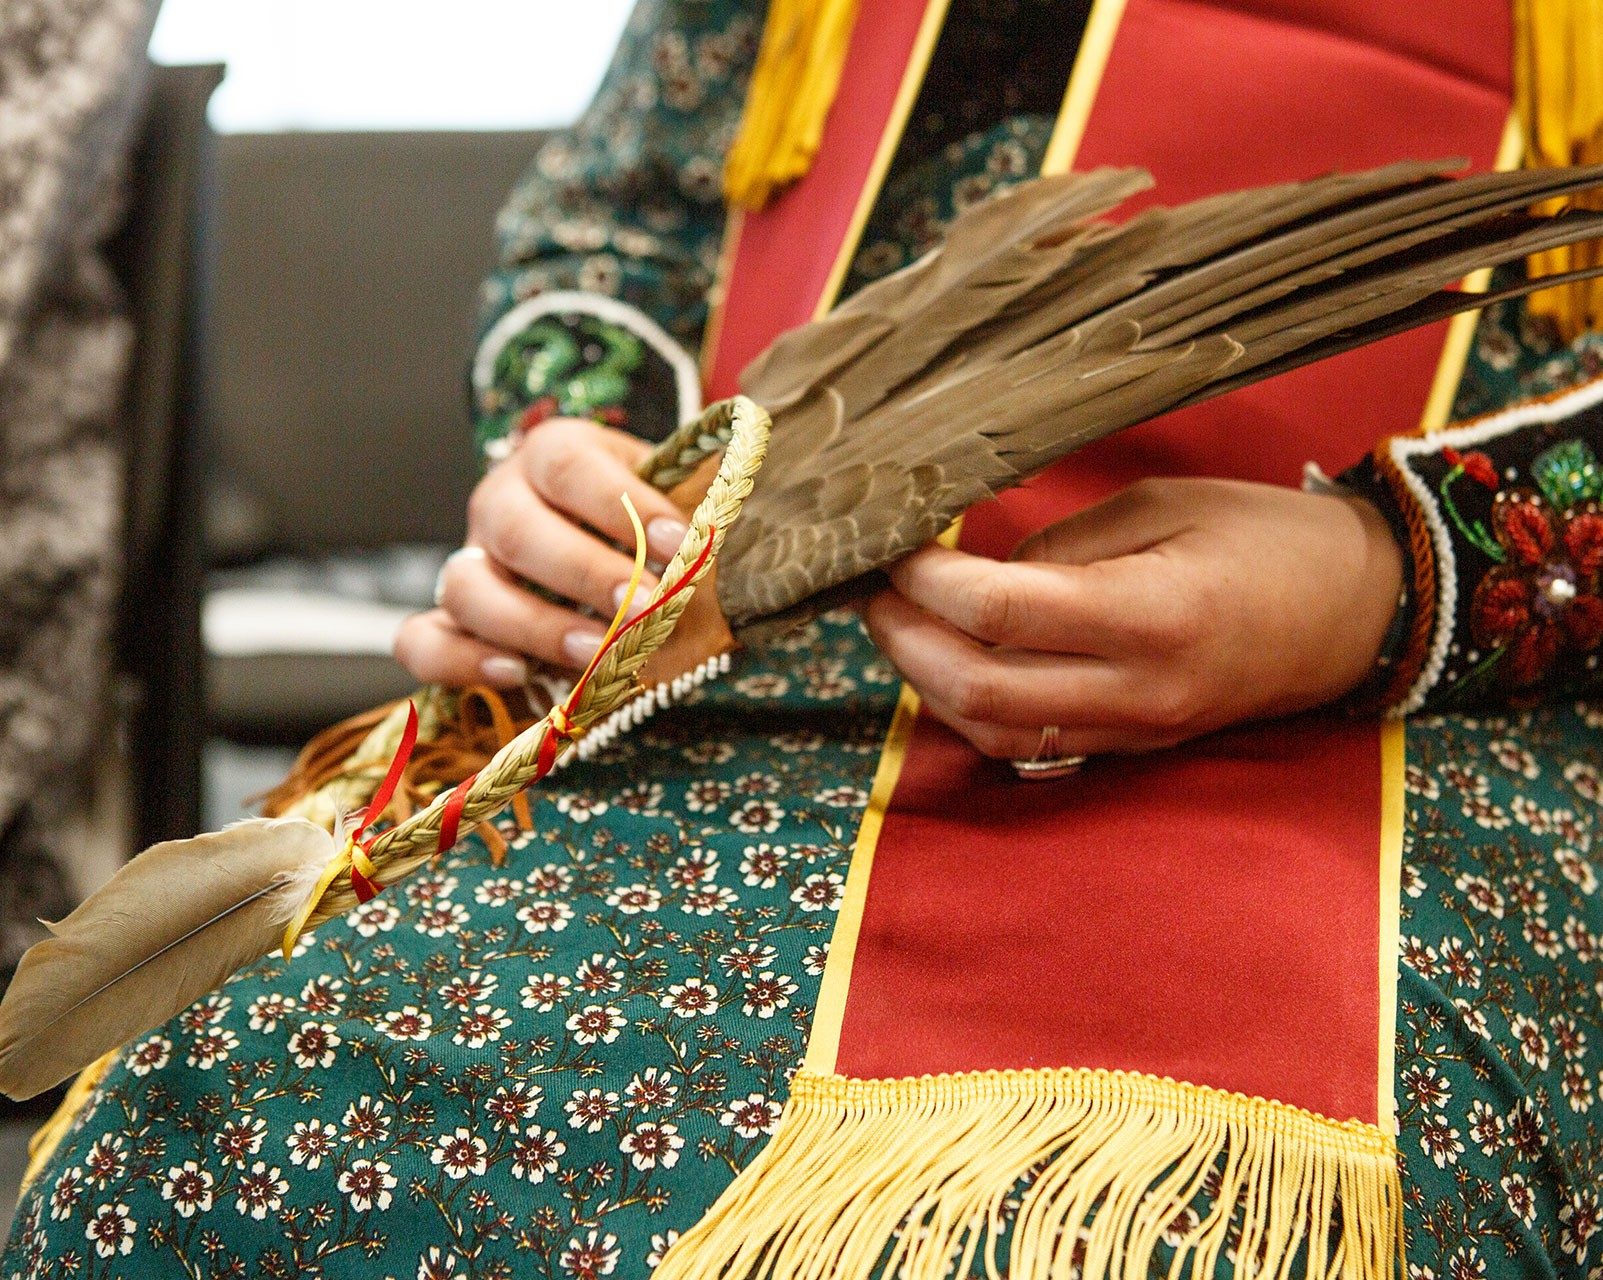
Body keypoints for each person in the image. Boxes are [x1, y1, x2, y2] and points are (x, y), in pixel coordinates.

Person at [7, 1, 1602, 1277]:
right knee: (230, 1106)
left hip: (1426, 718)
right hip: (727, 655)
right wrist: (576, 454)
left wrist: (1390, 574)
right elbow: (615, 227)